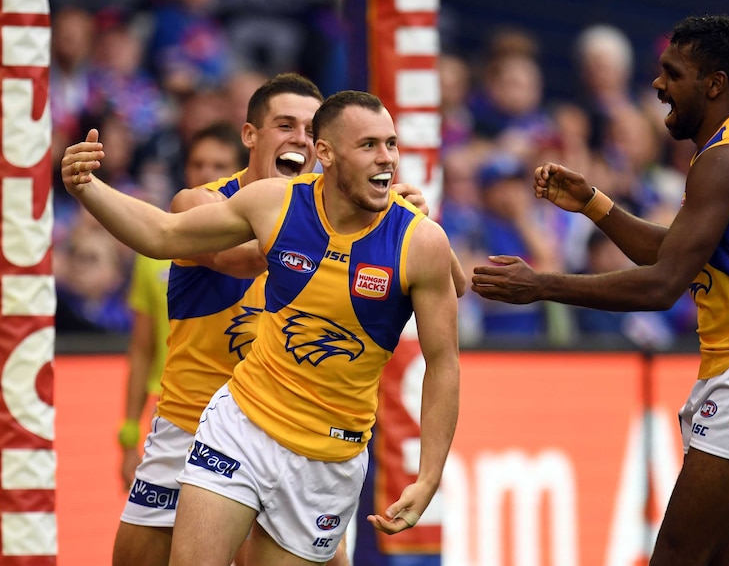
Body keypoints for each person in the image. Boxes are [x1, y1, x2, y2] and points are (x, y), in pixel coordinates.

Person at [472, 15, 729, 564]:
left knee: (677, 558)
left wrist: (541, 284)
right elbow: (671, 252)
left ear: (714, 84)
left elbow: (662, 286)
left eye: (671, 73)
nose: (657, 85)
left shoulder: (725, 160)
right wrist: (594, 203)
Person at [63, 89, 460, 566]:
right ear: (327, 153)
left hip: (329, 454)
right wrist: (87, 186)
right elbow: (162, 235)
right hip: (240, 425)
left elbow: (443, 361)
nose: (387, 158)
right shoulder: (273, 204)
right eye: (369, 145)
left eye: (391, 144)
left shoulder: (418, 239)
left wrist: (430, 474)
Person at [118, 122, 248, 490]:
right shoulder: (153, 253)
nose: (206, 174)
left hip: (242, 413)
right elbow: (142, 349)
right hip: (176, 411)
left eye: (218, 166)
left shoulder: (261, 243)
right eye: (198, 164)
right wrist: (129, 434)